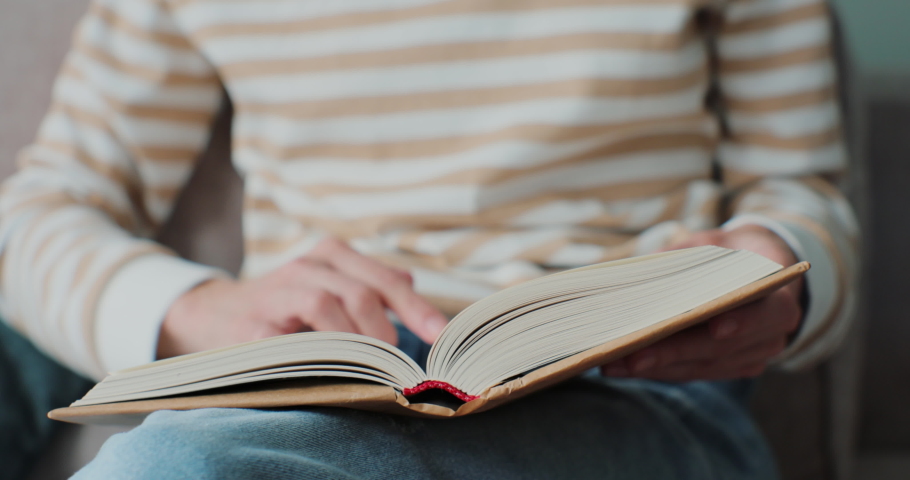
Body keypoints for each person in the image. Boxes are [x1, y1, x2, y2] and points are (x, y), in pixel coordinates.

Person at [0, 0, 858, 478]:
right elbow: (37, 212)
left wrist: (779, 275)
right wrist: (202, 309)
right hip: (331, 382)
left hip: (639, 389)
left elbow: (803, 186)